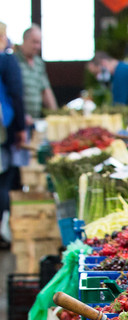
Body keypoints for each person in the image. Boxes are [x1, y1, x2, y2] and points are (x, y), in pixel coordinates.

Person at [0, 21, 27, 250]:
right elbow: (16, 94)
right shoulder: (7, 60)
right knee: (4, 181)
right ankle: (3, 230)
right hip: (3, 131)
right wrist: (20, 129)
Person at [17, 25, 57, 121]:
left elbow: (46, 90)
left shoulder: (39, 63)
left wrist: (55, 115)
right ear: (24, 40)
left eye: (39, 43)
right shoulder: (14, 61)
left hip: (35, 118)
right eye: (34, 42)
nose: (37, 46)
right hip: (19, 119)